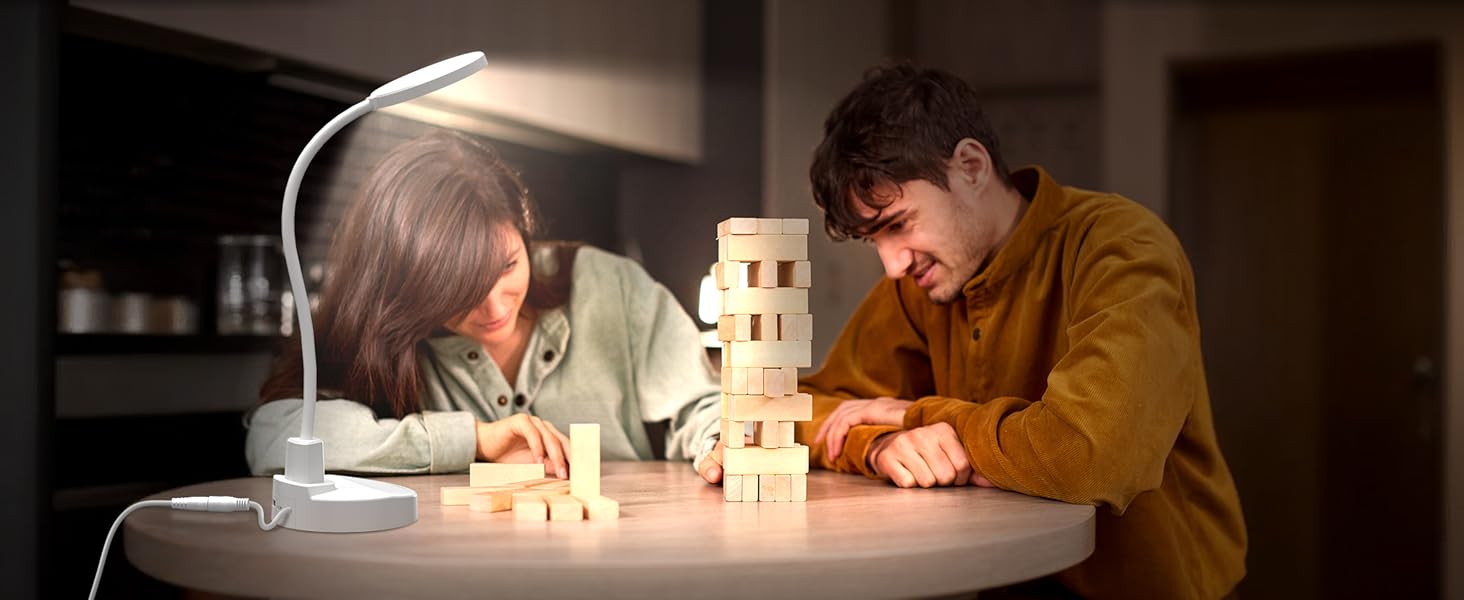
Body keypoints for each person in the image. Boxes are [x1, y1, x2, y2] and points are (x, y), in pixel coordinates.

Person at [797, 65, 1245, 599]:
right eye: (874, 239)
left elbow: (1089, 456)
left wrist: (917, 413)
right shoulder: (919, 285)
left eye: (898, 224)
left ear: (971, 166)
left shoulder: (1123, 246)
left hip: (1151, 586)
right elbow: (804, 407)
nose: (892, 265)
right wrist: (880, 443)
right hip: (1008, 581)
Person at [246, 130, 726, 482]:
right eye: (457, 292)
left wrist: (719, 442)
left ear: (523, 229)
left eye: (507, 266)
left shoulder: (610, 284)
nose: (495, 306)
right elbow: (274, 434)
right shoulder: (382, 331)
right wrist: (475, 441)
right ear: (406, 288)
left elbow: (701, 404)